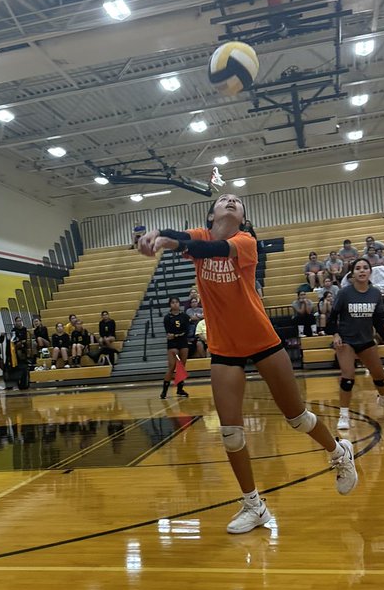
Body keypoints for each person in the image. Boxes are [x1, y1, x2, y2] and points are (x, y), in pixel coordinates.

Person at [139, 194, 358, 534]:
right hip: (224, 347)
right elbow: (184, 238)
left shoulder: (245, 242)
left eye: (236, 201)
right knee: (230, 434)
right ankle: (254, 505)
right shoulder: (198, 236)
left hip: (262, 340)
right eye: (223, 199)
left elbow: (208, 249)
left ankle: (339, 452)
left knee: (298, 418)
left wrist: (169, 242)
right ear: (211, 214)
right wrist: (157, 235)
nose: (230, 201)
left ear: (242, 218)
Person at [328, 257, 384, 432]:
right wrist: (335, 334)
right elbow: (332, 318)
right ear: (352, 273)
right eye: (358, 268)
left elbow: (378, 321)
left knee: (380, 376)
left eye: (365, 268)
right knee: (348, 378)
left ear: (370, 272)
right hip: (346, 341)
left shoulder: (375, 293)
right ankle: (344, 415)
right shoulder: (344, 293)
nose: (361, 271)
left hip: (366, 341)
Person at [161, 296, 190, 399]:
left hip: (183, 343)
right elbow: (169, 333)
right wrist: (175, 335)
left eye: (177, 302)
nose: (175, 304)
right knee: (172, 366)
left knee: (181, 367)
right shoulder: (167, 318)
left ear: (179, 303)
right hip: (172, 344)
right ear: (170, 305)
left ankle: (180, 389)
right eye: (173, 302)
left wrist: (176, 335)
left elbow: (186, 331)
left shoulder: (184, 316)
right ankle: (164, 391)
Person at [185, 294, 207, 358]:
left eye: (195, 301)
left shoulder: (201, 309)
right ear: (190, 304)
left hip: (201, 325)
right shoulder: (188, 310)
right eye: (192, 302)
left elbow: (204, 316)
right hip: (192, 326)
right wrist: (199, 316)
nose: (194, 303)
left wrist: (196, 316)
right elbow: (191, 318)